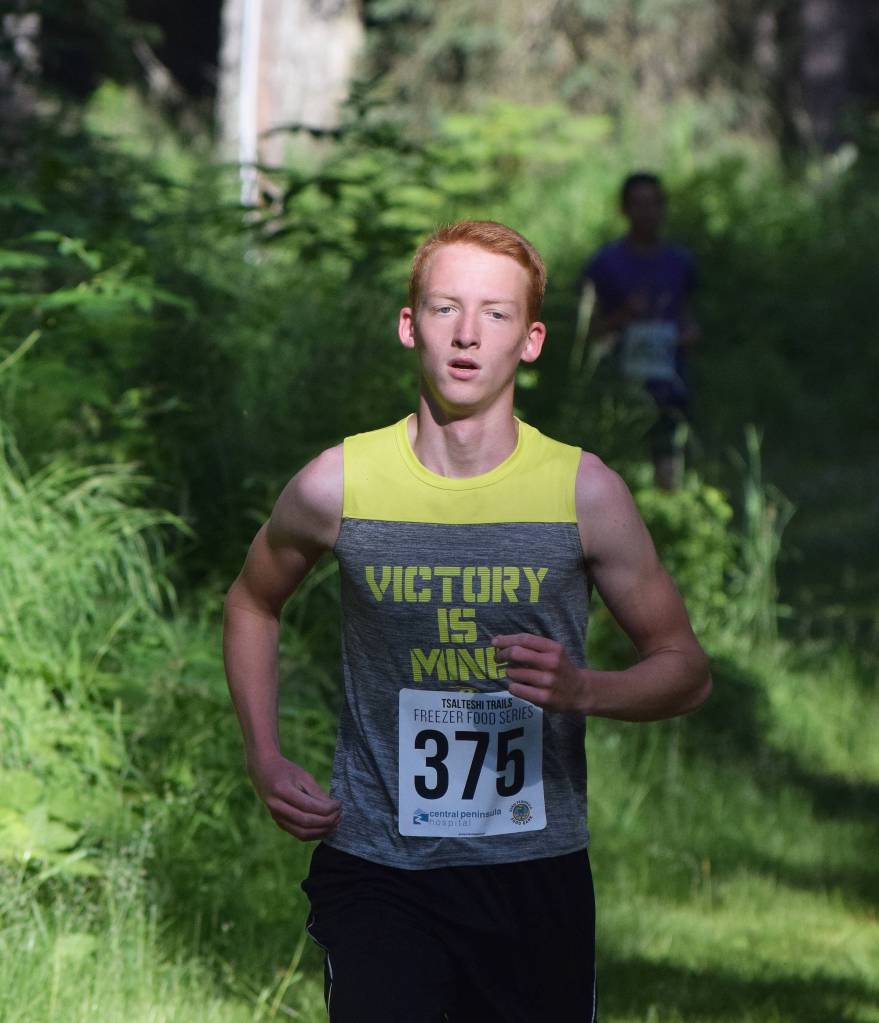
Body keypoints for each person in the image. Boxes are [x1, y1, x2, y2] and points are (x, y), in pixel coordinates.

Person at [223, 220, 712, 1022]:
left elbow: (684, 667)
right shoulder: (335, 484)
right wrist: (263, 754)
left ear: (530, 340)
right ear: (409, 324)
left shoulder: (582, 492)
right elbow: (251, 601)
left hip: (532, 873)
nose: (465, 333)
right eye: (445, 307)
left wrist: (584, 687)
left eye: (494, 313)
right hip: (378, 864)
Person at [576, 172, 701, 490]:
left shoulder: (680, 262)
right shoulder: (605, 263)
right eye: (638, 204)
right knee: (620, 465)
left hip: (670, 382)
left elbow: (689, 318)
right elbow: (588, 333)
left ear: (663, 208)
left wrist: (688, 336)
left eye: (653, 204)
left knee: (669, 457)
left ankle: (668, 515)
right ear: (625, 209)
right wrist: (623, 318)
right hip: (621, 384)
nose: (646, 212)